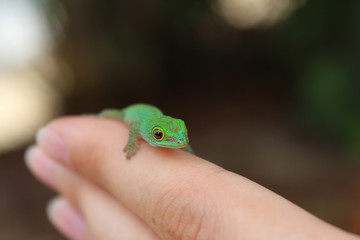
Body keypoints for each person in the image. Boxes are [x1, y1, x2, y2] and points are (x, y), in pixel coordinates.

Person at [25, 116, 359, 240]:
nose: (179, 141)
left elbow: (176, 135)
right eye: (163, 135)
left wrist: (179, 142)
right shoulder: (140, 129)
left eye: (180, 134)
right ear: (149, 134)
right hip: (131, 114)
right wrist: (131, 143)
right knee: (108, 119)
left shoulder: (174, 133)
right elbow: (137, 125)